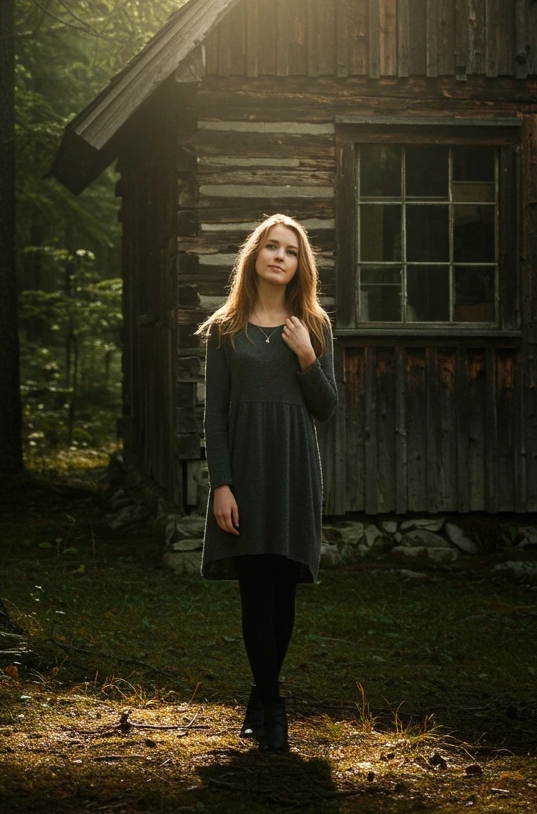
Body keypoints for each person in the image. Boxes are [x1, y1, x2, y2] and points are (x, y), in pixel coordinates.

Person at [197, 214, 338, 753]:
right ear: (255, 256)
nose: (281, 256)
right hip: (246, 475)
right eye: (272, 247)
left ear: (301, 265)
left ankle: (260, 698)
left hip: (294, 469)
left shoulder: (314, 326)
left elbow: (326, 408)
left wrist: (306, 354)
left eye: (292, 251)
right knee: (254, 594)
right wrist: (222, 485)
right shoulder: (224, 330)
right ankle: (274, 706)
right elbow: (215, 418)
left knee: (283, 596)